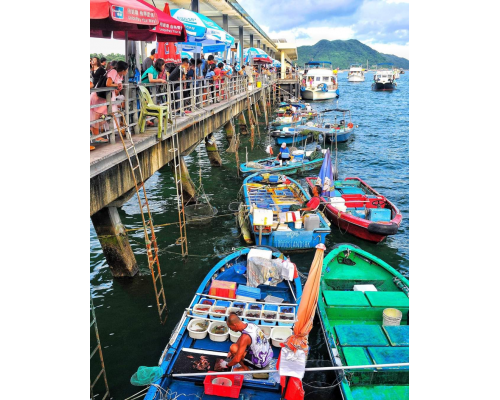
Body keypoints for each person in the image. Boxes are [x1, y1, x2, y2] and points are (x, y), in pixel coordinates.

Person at [90, 61, 129, 140]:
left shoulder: (119, 75)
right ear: (123, 69)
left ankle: (93, 131)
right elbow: (108, 84)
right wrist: (117, 85)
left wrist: (118, 87)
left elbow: (115, 89)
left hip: (106, 98)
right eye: (127, 69)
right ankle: (96, 136)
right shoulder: (113, 72)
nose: (128, 71)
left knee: (104, 116)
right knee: (98, 116)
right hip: (100, 97)